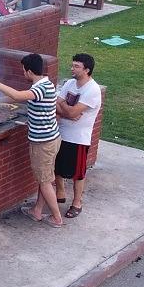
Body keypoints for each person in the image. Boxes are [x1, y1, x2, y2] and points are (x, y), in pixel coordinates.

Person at [0, 53, 63, 227]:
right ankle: (37, 211)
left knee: (45, 181)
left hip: (43, 143)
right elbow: (22, 96)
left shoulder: (40, 88)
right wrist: (0, 100)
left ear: (29, 71)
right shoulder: (45, 83)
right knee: (45, 179)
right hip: (52, 138)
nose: (23, 73)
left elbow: (18, 96)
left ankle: (56, 218)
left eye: (24, 70)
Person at [54, 54, 103, 218]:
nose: (72, 69)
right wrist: (67, 111)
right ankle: (60, 193)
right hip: (61, 133)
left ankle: (77, 203)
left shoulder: (92, 90)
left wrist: (64, 107)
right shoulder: (69, 83)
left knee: (78, 173)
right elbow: (57, 105)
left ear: (87, 70)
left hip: (78, 138)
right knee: (56, 166)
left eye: (76, 66)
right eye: (72, 65)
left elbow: (71, 111)